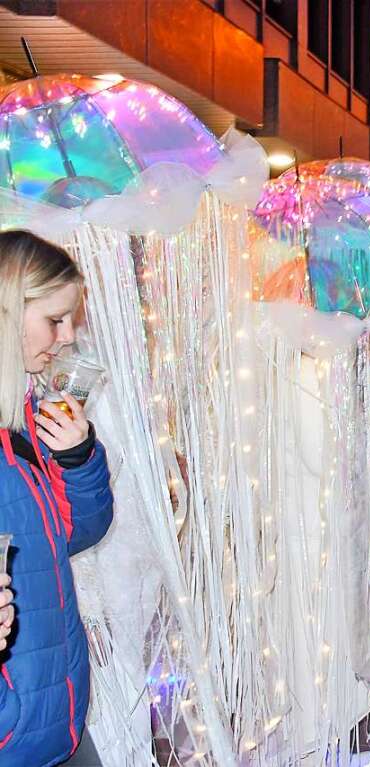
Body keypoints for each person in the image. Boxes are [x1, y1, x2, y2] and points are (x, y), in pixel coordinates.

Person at [0, 230, 114, 765]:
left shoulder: (21, 420)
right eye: (55, 319)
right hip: (16, 726)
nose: (67, 338)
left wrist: (77, 458)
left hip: (52, 713)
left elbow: (73, 535)